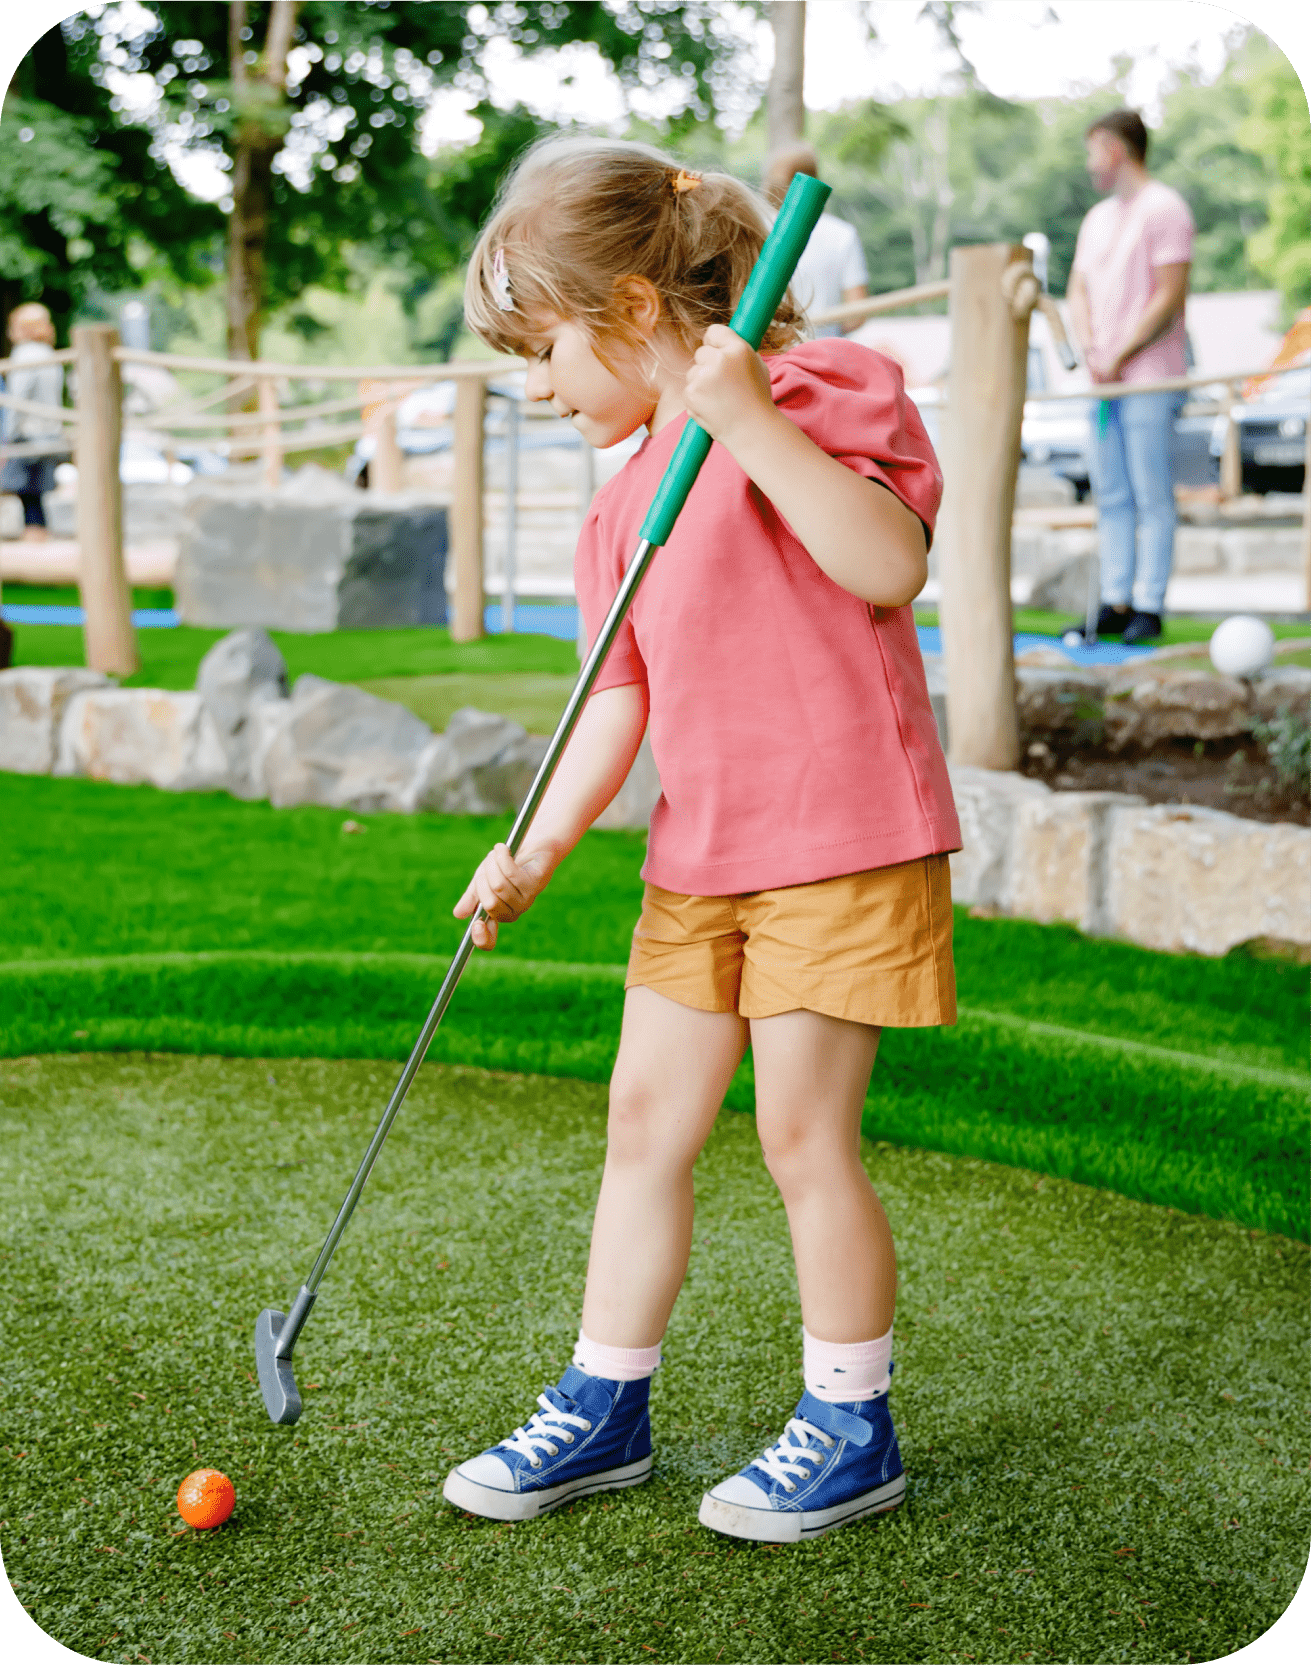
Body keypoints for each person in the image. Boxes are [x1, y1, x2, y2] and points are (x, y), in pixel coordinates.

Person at [442, 135, 959, 1544]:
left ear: (626, 310)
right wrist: (533, 849)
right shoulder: (618, 508)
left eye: (542, 350)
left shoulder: (817, 391)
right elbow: (613, 703)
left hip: (841, 840)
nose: (536, 388)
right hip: (700, 859)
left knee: (800, 1135)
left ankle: (850, 1423)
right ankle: (605, 1403)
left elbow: (884, 562)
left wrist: (743, 422)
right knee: (641, 1125)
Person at [1067, 109, 1194, 645]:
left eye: (1094, 149)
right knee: (1111, 493)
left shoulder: (1165, 208)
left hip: (1149, 378)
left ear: (1116, 149)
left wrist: (1123, 350)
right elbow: (1077, 287)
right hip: (1103, 380)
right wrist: (1093, 347)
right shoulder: (1096, 218)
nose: (1089, 162)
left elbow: (1170, 292)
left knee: (1151, 493)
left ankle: (1149, 602)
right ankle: (1116, 599)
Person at [763, 142, 869, 338]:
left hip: (769, 355)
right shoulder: (842, 234)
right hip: (823, 355)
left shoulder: (757, 227)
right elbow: (857, 314)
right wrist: (828, 334)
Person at [1, 302, 66, 543]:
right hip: (49, 434)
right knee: (35, 497)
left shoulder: (24, 355)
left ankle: (33, 549)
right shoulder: (51, 355)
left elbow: (17, 401)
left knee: (28, 497)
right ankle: (38, 539)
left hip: (27, 436)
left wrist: (5, 438)